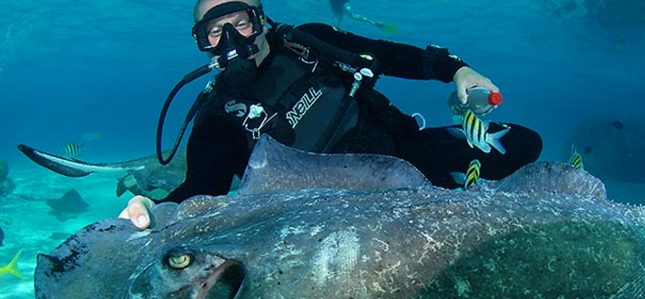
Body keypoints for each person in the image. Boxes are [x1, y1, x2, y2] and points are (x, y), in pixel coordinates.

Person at [120, 0, 542, 229]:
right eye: (215, 30)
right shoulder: (219, 115)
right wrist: (154, 207)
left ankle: (449, 193)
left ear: (262, 20)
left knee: (523, 142)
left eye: (240, 21)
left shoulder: (311, 44)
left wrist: (457, 70)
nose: (230, 37)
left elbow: (389, 54)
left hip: (401, 152)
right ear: (204, 44)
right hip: (322, 214)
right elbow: (201, 189)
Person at [327, 0, 398, 34]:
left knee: (351, 16)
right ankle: (373, 23)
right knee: (338, 22)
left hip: (341, 3)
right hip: (336, 4)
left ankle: (373, 22)